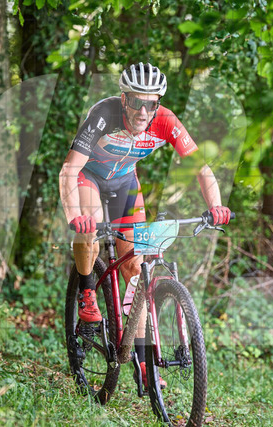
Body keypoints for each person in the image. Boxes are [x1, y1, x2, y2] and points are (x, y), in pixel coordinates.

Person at [59, 62, 231, 387]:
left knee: (136, 272)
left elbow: (201, 168)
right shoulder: (104, 115)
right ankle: (87, 290)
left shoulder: (166, 120)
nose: (143, 111)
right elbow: (69, 169)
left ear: (157, 104)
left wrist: (216, 206)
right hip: (89, 178)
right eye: (137, 101)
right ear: (124, 99)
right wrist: (74, 215)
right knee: (90, 226)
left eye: (150, 104)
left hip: (125, 184)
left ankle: (143, 366)